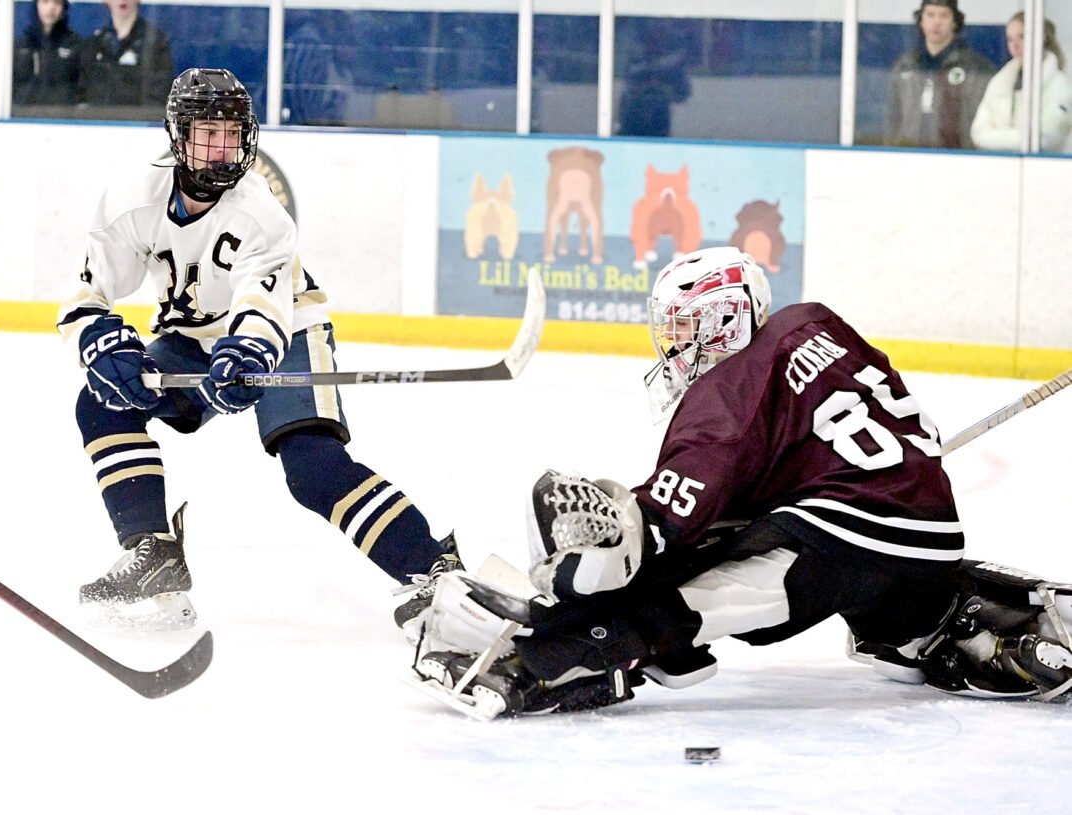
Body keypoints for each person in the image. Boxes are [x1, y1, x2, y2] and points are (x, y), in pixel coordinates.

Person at [405, 246, 1072, 718]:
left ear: (724, 319)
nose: (674, 345)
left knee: (693, 592)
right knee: (891, 598)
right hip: (929, 536)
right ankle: (971, 622)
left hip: (836, 543)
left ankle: (547, 660)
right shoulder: (817, 323)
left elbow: (658, 535)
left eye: (684, 327)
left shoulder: (725, 395)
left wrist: (574, 580)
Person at [56, 67, 458, 629]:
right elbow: (87, 294)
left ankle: (434, 569)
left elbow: (264, 308)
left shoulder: (262, 214)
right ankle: (154, 556)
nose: (223, 150)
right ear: (177, 136)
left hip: (285, 333)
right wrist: (97, 338)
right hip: (194, 337)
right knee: (100, 402)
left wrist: (247, 354)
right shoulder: (130, 201)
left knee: (313, 471)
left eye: (233, 133)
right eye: (206, 134)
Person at [885, 0, 995, 149]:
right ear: (921, 20)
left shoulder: (975, 68)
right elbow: (893, 118)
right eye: (930, 15)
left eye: (944, 15)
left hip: (959, 158)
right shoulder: (905, 66)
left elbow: (983, 121)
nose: (936, 22)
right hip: (909, 156)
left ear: (955, 22)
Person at [970, 12, 1072, 153]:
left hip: (1047, 169)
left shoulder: (1060, 85)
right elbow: (979, 133)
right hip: (999, 167)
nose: (1015, 45)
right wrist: (1018, 138)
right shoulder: (999, 82)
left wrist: (998, 139)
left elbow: (1046, 138)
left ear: (1040, 38)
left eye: (1022, 37)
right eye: (1010, 39)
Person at [78, 0, 173, 113]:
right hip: (98, 123)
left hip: (138, 123)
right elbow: (83, 90)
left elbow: (159, 91)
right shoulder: (95, 42)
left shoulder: (155, 41)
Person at [12, 0, 83, 108]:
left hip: (64, 119)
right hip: (24, 118)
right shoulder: (21, 46)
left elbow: (81, 88)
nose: (51, 8)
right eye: (45, 1)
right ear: (36, 5)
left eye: (57, 3)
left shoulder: (75, 45)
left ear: (64, 7)